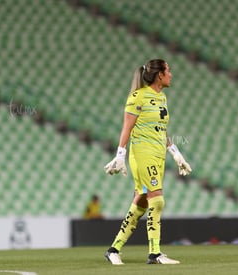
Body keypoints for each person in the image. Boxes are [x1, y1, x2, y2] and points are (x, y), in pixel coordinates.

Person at [103, 59, 192, 265]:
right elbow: (127, 127)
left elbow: (160, 130)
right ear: (159, 75)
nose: (171, 74)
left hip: (157, 154)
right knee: (157, 199)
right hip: (142, 154)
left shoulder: (162, 98)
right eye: (168, 70)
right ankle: (155, 253)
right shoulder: (137, 97)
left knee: (142, 201)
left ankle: (113, 249)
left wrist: (176, 154)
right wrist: (120, 155)